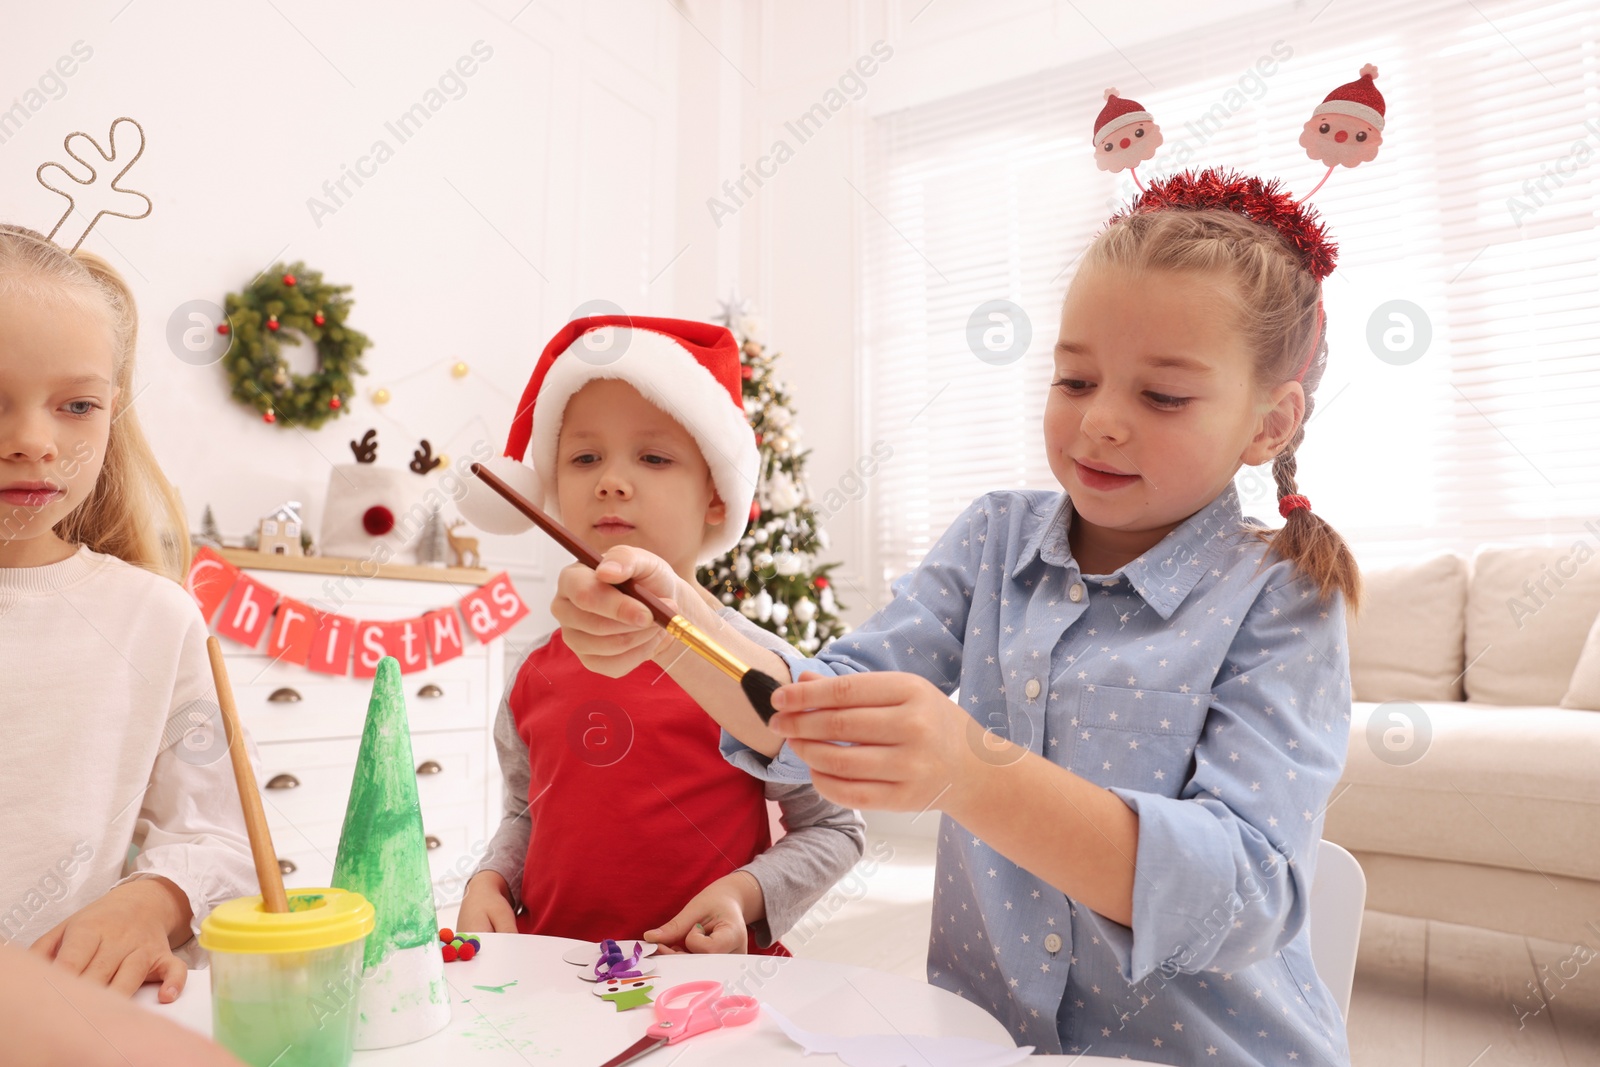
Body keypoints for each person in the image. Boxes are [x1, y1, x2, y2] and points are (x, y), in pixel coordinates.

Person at [552, 174, 1362, 1062]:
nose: (1099, 422)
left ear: (1270, 423)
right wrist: (677, 622)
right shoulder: (992, 539)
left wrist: (971, 773)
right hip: (985, 1042)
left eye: (1162, 397)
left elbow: (1246, 893)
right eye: (1074, 377)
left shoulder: (1282, 595)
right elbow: (814, 709)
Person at [456, 316, 864, 954]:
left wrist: (743, 895)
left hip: (701, 987)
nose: (610, 481)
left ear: (717, 500)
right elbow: (525, 813)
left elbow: (835, 827)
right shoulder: (532, 671)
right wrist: (491, 877)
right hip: (552, 976)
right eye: (584, 457)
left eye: (653, 457)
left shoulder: (758, 666)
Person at [0, 225, 256, 1001]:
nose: (36, 443)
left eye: (77, 405)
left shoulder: (155, 617)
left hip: (69, 1025)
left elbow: (223, 836)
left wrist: (153, 905)